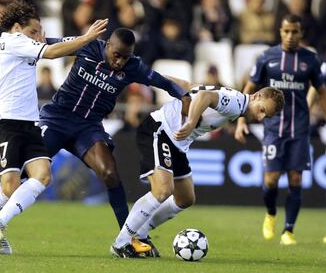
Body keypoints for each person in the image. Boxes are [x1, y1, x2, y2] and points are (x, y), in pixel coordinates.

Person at [0, 27, 186, 256]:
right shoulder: (88, 45)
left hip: (88, 128)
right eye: (116, 54)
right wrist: (34, 40)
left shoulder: (133, 66)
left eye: (125, 57)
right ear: (107, 45)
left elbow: (163, 83)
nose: (119, 61)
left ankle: (125, 239)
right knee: (20, 177)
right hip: (57, 118)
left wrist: (187, 98)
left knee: (110, 173)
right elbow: (49, 44)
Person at [0, 0, 108, 254]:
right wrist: (86, 37)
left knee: (43, 176)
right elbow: (50, 51)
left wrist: (94, 44)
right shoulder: (12, 41)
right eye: (34, 32)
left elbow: (58, 44)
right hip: (4, 121)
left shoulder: (23, 43)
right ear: (17, 27)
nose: (39, 37)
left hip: (28, 122)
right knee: (10, 187)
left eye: (40, 32)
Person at [111, 85, 285, 258]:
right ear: (256, 96)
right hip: (162, 129)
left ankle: (141, 233)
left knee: (185, 198)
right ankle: (121, 242)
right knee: (163, 190)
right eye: (262, 110)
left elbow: (189, 86)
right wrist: (192, 122)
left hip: (178, 143)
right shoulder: (236, 103)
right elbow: (204, 95)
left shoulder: (236, 102)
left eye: (265, 116)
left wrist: (162, 79)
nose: (260, 117)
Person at [235, 14, 326, 245]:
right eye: (286, 31)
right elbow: (250, 87)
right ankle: (271, 213)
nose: (290, 36)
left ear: (301, 33)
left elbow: (322, 90)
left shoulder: (310, 60)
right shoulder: (267, 56)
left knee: (295, 178)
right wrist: (241, 119)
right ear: (280, 32)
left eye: (295, 32)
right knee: (271, 180)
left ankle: (289, 231)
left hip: (300, 130)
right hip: (274, 129)